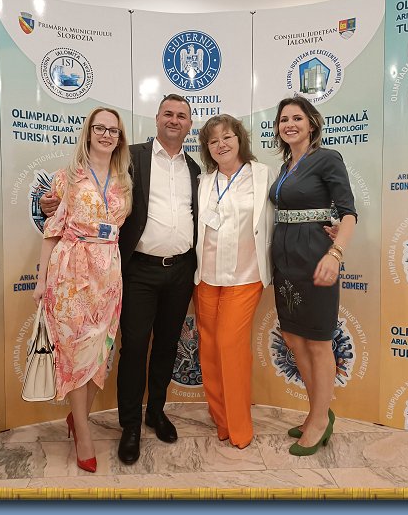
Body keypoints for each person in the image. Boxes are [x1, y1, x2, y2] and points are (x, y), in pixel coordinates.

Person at [40, 93, 200, 465]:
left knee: (167, 346)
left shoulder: (195, 169)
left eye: (182, 115)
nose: (174, 120)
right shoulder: (132, 159)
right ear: (156, 118)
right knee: (134, 347)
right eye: (168, 113)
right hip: (135, 269)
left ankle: (155, 412)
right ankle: (129, 426)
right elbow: (78, 198)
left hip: (180, 270)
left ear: (190, 124)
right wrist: (52, 203)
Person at [33, 106, 132, 472]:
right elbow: (52, 231)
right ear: (89, 132)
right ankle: (84, 434)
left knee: (98, 353)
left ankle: (77, 418)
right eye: (100, 128)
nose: (106, 135)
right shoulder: (68, 178)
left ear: (119, 138)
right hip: (71, 273)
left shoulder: (124, 180)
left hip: (109, 275)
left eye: (113, 130)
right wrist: (42, 281)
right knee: (75, 354)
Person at [269, 96, 357, 456]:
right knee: (293, 336)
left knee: (319, 341)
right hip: (285, 258)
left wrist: (335, 253)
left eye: (297, 118)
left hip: (314, 257)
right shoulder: (285, 166)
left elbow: (348, 213)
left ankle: (320, 420)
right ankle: (317, 411)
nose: (289, 124)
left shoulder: (327, 158)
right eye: (283, 120)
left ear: (312, 124)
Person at [193, 114, 275, 449]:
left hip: (245, 276)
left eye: (227, 137)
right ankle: (222, 420)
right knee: (210, 349)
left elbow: (288, 210)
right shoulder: (203, 181)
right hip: (206, 277)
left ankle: (240, 427)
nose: (221, 145)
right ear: (207, 148)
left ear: (239, 139)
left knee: (231, 346)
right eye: (213, 141)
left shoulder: (263, 175)